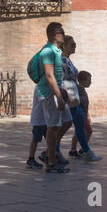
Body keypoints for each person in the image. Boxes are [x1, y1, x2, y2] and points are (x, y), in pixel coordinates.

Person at [30, 21, 70, 173]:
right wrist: (59, 97)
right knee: (52, 128)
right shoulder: (47, 51)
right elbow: (49, 75)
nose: (64, 35)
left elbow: (57, 76)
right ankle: (52, 162)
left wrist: (64, 92)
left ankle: (49, 152)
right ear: (55, 35)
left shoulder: (55, 51)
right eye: (62, 32)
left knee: (67, 121)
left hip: (56, 91)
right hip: (48, 93)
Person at [61, 36, 101, 162]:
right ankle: (85, 151)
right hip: (67, 96)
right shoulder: (61, 60)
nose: (75, 46)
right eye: (72, 44)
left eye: (75, 44)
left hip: (73, 96)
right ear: (64, 45)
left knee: (77, 123)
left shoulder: (68, 60)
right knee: (70, 123)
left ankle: (84, 150)